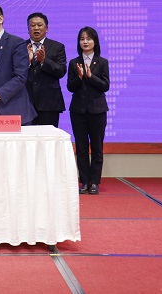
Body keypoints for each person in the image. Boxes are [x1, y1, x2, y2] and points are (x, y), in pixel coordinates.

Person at [67, 26, 110, 196]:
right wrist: (79, 77)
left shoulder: (102, 62)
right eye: (82, 39)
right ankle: (84, 181)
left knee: (97, 148)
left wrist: (91, 77)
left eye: (88, 38)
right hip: (78, 111)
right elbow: (70, 87)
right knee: (81, 148)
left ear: (95, 41)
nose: (85, 42)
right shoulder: (74, 63)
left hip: (97, 110)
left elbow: (105, 86)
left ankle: (95, 182)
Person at [25, 12, 67, 127]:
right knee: (27, 137)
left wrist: (44, 61)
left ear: (46, 28)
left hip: (49, 103)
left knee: (49, 137)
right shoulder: (20, 47)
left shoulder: (57, 47)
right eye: (32, 25)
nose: (36, 28)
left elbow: (61, 71)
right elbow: (13, 72)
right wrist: (27, 62)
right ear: (28, 29)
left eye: (39, 25)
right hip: (26, 103)